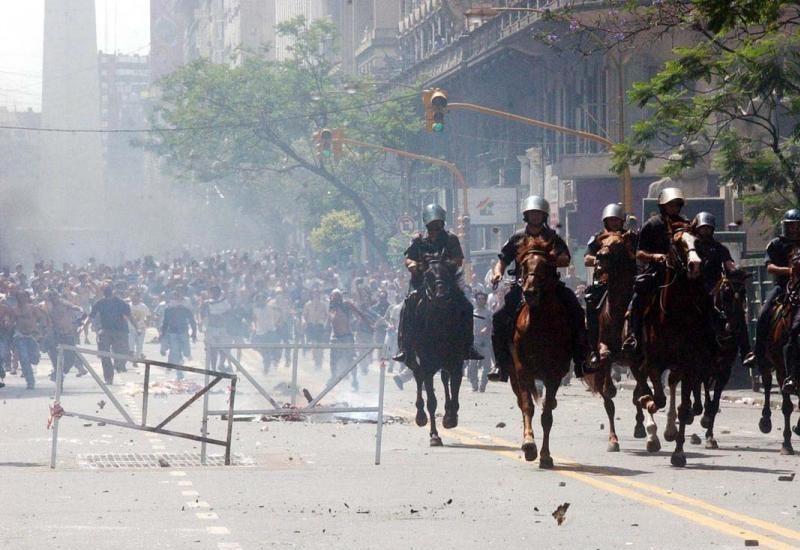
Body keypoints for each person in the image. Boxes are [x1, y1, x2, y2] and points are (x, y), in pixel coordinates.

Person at [488, 195, 591, 382]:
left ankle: (581, 361)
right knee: (498, 317)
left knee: (577, 312)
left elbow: (566, 259)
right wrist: (497, 273)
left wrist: (552, 258)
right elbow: (502, 260)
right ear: (526, 215)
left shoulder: (552, 237)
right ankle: (500, 365)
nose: (535, 216)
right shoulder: (517, 238)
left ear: (544, 215)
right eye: (532, 213)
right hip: (522, 286)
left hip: (550, 286)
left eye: (538, 213)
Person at [393, 204, 483, 365]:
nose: (435, 227)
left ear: (442, 222)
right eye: (432, 224)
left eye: (438, 224)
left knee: (467, 306)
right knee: (406, 306)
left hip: (446, 282)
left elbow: (458, 260)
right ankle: (404, 348)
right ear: (427, 223)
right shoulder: (418, 240)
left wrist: (443, 266)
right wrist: (412, 264)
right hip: (422, 282)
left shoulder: (451, 239)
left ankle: (468, 346)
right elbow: (409, 258)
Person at [622, 187, 694, 352]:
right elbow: (639, 253)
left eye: (677, 205)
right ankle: (634, 336)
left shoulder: (686, 225)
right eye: (670, 205)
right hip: (657, 271)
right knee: (638, 297)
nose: (674, 208)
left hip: (682, 272)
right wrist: (655, 256)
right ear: (662, 205)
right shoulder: (652, 224)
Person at [749, 209, 800, 391]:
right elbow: (770, 267)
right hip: (782, 286)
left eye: (797, 226)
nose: (794, 229)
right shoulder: (775, 244)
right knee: (764, 314)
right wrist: (789, 271)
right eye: (791, 226)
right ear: (785, 226)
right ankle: (758, 354)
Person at [583, 203, 630, 366]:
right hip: (605, 282)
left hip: (628, 281)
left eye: (616, 220)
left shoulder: (630, 237)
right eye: (611, 220)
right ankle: (594, 349)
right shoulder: (598, 237)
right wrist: (600, 259)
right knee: (591, 304)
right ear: (605, 221)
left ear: (622, 221)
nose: (614, 223)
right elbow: (587, 258)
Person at [85, 284, 133, 384]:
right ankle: (109, 377)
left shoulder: (121, 303)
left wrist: (137, 327)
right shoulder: (100, 303)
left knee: (121, 353)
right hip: (107, 331)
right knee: (105, 355)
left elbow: (129, 316)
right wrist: (83, 328)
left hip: (120, 331)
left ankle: (118, 366)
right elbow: (91, 316)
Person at [327, 289, 370, 391]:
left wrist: (366, 324)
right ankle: (333, 376)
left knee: (350, 359)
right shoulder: (331, 307)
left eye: (337, 296)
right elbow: (330, 321)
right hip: (335, 338)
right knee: (333, 360)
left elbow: (359, 313)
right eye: (333, 296)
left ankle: (354, 380)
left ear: (340, 297)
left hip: (347, 337)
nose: (335, 299)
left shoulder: (346, 304)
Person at [43, 290, 86, 381]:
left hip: (67, 334)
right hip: (55, 335)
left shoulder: (63, 304)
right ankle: (58, 375)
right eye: (52, 297)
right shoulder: (46, 306)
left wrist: (79, 309)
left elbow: (73, 306)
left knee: (71, 357)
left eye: (55, 296)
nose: (54, 299)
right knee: (55, 358)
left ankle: (62, 372)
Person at [12, 290, 47, 389]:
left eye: (23, 296)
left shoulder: (32, 308)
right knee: (24, 358)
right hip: (20, 336)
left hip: (32, 335)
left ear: (27, 298)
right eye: (19, 297)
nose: (21, 299)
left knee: (34, 359)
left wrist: (41, 330)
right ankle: (30, 381)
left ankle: (36, 357)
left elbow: (41, 319)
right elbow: (11, 321)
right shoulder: (15, 310)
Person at [160, 291, 197, 379]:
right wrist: (162, 334)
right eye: (173, 298)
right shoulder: (168, 310)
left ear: (180, 300)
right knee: (176, 352)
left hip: (183, 332)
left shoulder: (185, 309)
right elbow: (165, 323)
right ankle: (179, 373)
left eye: (177, 299)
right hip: (173, 333)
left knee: (186, 352)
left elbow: (192, 321)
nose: (175, 301)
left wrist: (194, 333)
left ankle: (187, 356)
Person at [469, 291, 493, 392]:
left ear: (485, 300)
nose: (481, 301)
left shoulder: (489, 312)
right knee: (472, 364)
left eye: (483, 299)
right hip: (474, 340)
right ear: (476, 300)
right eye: (479, 299)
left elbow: (492, 324)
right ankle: (474, 384)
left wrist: (487, 328)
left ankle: (483, 385)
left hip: (485, 341)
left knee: (486, 365)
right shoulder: (472, 312)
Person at [302, 288, 328, 369]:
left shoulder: (323, 305)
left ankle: (319, 362)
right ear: (312, 295)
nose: (316, 295)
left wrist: (324, 323)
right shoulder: (308, 304)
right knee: (314, 344)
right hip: (311, 326)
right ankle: (315, 360)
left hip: (320, 326)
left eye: (317, 293)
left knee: (320, 345)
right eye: (314, 293)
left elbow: (326, 315)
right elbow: (304, 315)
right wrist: (304, 322)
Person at [128, 291, 150, 360]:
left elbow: (148, 316)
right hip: (130, 328)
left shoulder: (143, 306)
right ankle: (131, 354)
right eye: (132, 296)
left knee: (139, 345)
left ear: (139, 297)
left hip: (141, 328)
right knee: (130, 343)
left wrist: (146, 324)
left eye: (135, 296)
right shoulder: (128, 306)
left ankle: (137, 359)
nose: (133, 298)